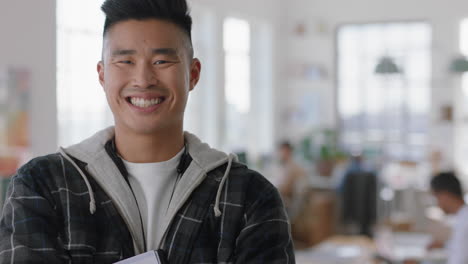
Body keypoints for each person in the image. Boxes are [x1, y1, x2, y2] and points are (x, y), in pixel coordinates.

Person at [0, 0, 294, 263]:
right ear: (102, 75)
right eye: (125, 61)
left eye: (161, 61)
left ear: (193, 74)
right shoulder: (43, 186)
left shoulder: (249, 197)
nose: (142, 79)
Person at [428, 171, 468, 264]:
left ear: (444, 195)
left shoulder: (464, 222)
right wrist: (445, 245)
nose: (437, 204)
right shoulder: (462, 217)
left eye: (436, 198)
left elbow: (459, 260)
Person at [277, 141, 306, 217]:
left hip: (288, 206)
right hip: (288, 202)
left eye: (282, 151)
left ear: (288, 151)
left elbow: (285, 189)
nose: (280, 154)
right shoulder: (287, 166)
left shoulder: (292, 167)